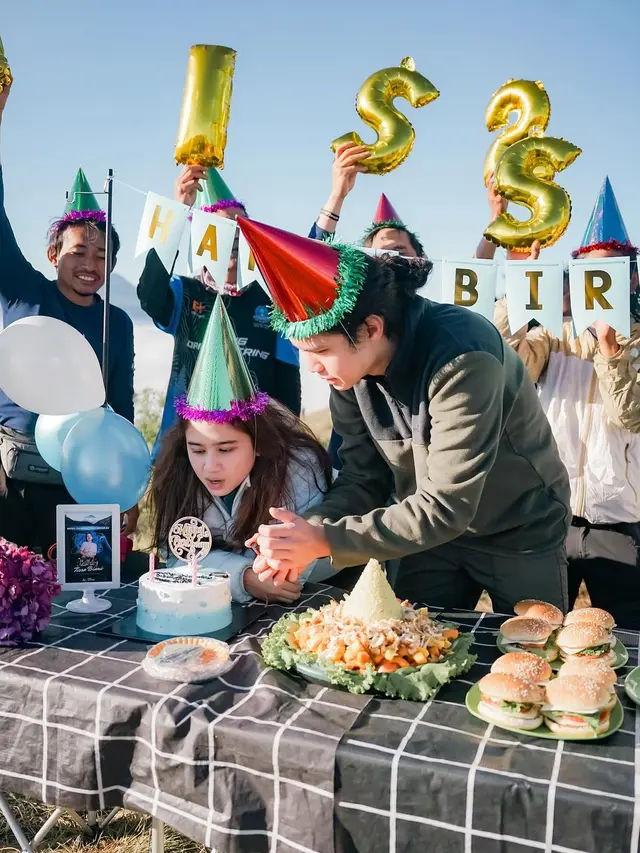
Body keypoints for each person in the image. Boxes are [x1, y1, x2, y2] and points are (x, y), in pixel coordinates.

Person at [237, 219, 571, 612]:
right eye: (301, 351)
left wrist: (325, 539)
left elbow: (447, 506)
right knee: (410, 648)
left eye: (321, 351)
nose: (312, 367)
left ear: (371, 328)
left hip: (519, 526)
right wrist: (305, 531)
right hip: (422, 533)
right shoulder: (347, 371)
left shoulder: (463, 356)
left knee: (538, 654)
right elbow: (364, 479)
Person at [492, 177, 640, 627]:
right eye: (592, 271)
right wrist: (515, 289)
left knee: (628, 639)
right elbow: (498, 357)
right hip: (548, 514)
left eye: (613, 269)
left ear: (631, 276)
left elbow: (629, 416)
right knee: (535, 632)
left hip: (618, 521)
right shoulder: (552, 335)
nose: (602, 281)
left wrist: (613, 354)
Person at [0, 80, 135, 553]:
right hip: (11, 476)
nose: (90, 264)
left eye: (102, 256)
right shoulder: (22, 292)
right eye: (79, 251)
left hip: (83, 480)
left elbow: (121, 404)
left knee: (74, 594)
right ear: (53, 253)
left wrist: (128, 485)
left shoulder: (117, 322)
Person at [150, 294, 332, 603]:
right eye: (197, 449)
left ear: (258, 444)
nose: (209, 466)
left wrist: (266, 568)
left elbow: (298, 569)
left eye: (226, 449)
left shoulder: (299, 467)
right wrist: (244, 578)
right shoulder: (177, 470)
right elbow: (177, 557)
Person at [137, 166, 301, 457]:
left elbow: (288, 390)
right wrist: (178, 210)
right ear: (203, 235)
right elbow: (149, 295)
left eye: (242, 227)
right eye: (223, 227)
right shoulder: (185, 293)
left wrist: (285, 453)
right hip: (186, 452)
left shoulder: (272, 303)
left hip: (254, 453)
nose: (235, 235)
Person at [310, 142, 427, 469]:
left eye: (402, 251)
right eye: (382, 252)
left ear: (421, 261)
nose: (393, 258)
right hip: (356, 468)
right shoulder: (349, 317)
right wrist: (337, 195)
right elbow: (312, 270)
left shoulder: (436, 330)